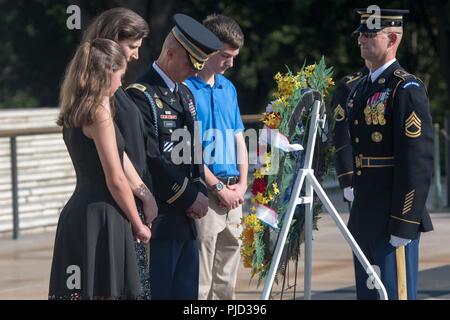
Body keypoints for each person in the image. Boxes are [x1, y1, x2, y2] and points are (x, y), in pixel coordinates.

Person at [126, 13, 222, 299]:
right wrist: (191, 197)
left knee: (186, 294)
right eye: (191, 64)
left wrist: (200, 194)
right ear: (170, 53)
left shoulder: (184, 94)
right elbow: (152, 158)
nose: (196, 72)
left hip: (187, 219)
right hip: (162, 218)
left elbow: (194, 153)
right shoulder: (140, 96)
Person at [49, 39, 152, 299]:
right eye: (119, 76)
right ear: (107, 73)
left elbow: (118, 157)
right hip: (103, 216)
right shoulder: (99, 112)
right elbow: (115, 178)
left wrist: (145, 194)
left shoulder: (77, 107)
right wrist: (138, 223)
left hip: (79, 214)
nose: (120, 83)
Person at [347, 8, 434, 300]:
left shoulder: (405, 88)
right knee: (369, 294)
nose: (361, 39)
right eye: (360, 34)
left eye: (369, 34)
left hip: (392, 215)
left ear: (393, 38)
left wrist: (405, 220)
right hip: (365, 213)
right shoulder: (360, 88)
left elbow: (416, 161)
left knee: (393, 294)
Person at [82, 7, 155, 300]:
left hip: (127, 204)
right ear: (112, 41)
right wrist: (139, 201)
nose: (136, 55)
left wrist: (145, 194)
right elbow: (116, 169)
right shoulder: (102, 101)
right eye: (132, 46)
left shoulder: (113, 92)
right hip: (115, 208)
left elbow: (124, 154)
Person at [185, 14, 247, 300]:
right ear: (206, 48)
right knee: (200, 280)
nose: (230, 63)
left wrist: (243, 184)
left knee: (226, 285)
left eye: (234, 56)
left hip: (234, 193)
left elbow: (239, 139)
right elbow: (188, 148)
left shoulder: (228, 88)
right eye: (225, 55)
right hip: (205, 193)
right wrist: (217, 187)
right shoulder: (185, 88)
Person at [331, 64, 368, 205]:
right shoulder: (350, 86)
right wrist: (347, 177)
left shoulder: (405, 82)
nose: (363, 41)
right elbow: (341, 134)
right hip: (364, 177)